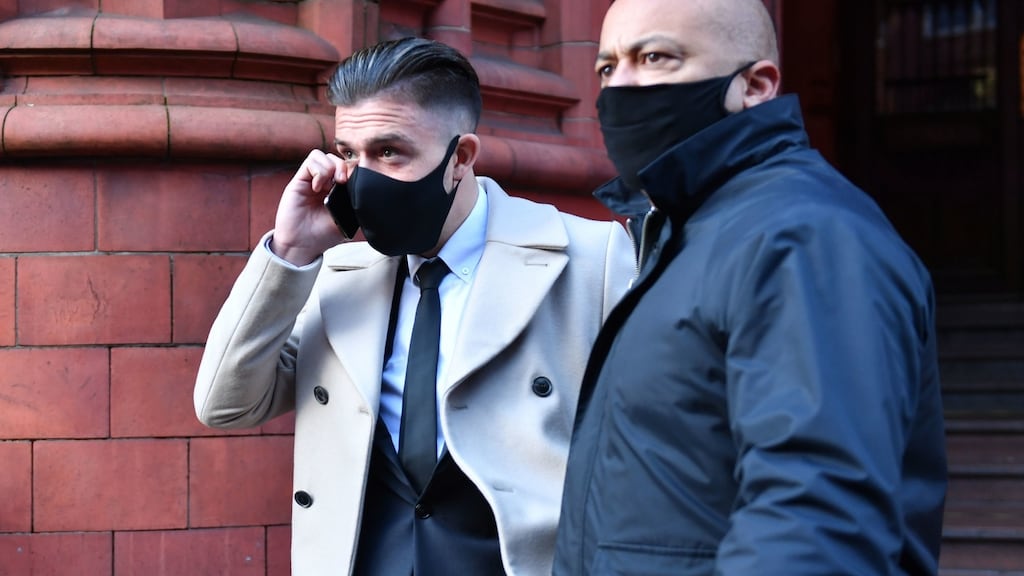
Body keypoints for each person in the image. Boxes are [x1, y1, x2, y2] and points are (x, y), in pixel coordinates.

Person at [194, 37, 635, 576]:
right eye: (349, 154)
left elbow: (650, 454)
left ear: (461, 158)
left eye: (389, 152)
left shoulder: (591, 259)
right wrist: (290, 252)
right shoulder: (337, 276)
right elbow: (225, 405)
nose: (363, 177)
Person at [553, 0, 948, 574]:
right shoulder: (689, 234)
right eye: (608, 68)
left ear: (756, 86)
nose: (620, 87)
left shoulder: (804, 237)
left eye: (656, 58)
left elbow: (814, 524)